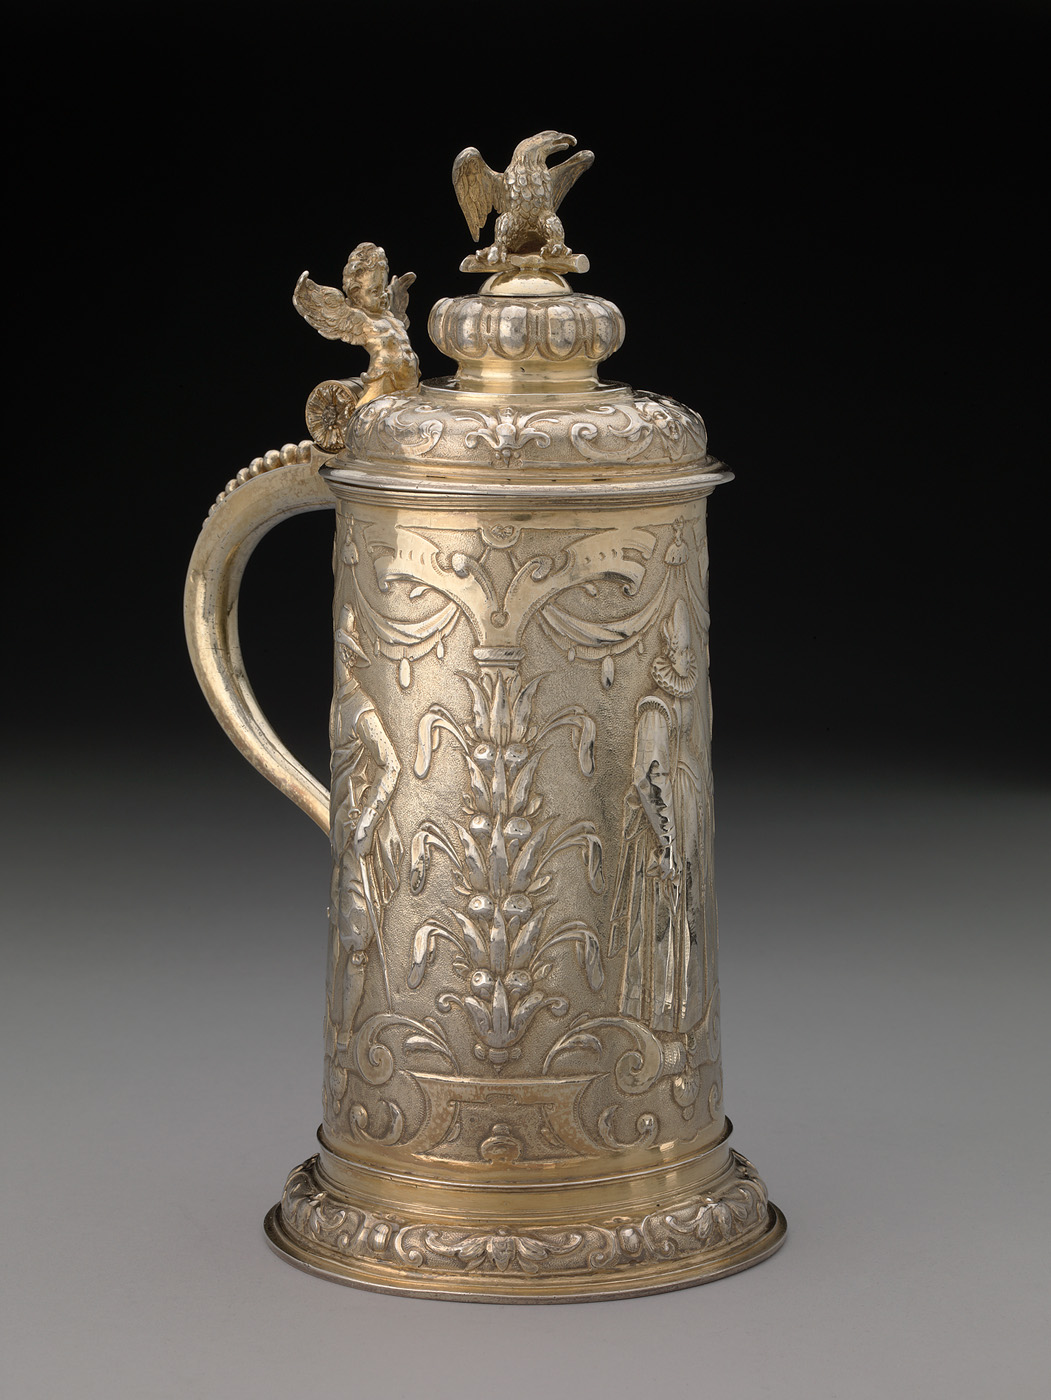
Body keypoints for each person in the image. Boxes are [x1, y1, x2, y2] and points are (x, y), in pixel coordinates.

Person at [608, 599, 715, 1032]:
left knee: (685, 909)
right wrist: (666, 841)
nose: (687, 660)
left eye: (691, 653)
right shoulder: (655, 708)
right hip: (667, 825)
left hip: (689, 818)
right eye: (681, 652)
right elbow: (648, 778)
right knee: (661, 913)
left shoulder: (686, 700)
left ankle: (681, 1016)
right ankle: (656, 1014)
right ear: (668, 652)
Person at [326, 604, 402, 1048]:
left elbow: (391, 764)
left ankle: (346, 1038)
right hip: (342, 837)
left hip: (356, 839)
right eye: (338, 648)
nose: (341, 657)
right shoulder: (339, 703)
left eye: (346, 650)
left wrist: (367, 824)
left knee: (357, 944)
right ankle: (343, 1041)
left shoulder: (359, 707)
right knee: (345, 938)